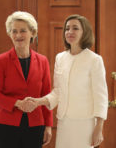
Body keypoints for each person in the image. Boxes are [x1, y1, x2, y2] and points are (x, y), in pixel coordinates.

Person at [25, 14, 108, 148]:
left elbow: (101, 96)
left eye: (75, 28)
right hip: (64, 122)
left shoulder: (94, 60)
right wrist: (38, 101)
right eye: (67, 28)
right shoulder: (61, 58)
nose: (70, 32)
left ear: (84, 32)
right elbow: (58, 92)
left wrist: (99, 126)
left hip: (84, 123)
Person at [0, 11, 53, 148]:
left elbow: (47, 96)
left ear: (32, 33)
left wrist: (48, 125)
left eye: (23, 31)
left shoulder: (42, 61)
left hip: (35, 126)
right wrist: (17, 103)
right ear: (10, 34)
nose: (18, 35)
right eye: (14, 31)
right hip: (5, 126)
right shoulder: (1, 61)